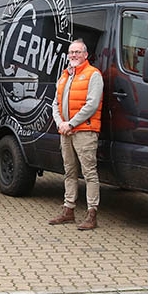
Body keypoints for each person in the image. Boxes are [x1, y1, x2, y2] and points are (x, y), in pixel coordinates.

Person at [48, 39, 103, 230]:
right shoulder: (64, 76)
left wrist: (71, 123)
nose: (73, 55)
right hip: (66, 131)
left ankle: (91, 214)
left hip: (85, 132)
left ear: (85, 55)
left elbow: (92, 104)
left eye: (77, 52)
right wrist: (61, 124)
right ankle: (69, 210)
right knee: (69, 172)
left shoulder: (93, 75)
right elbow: (55, 104)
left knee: (89, 173)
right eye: (71, 52)